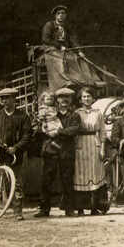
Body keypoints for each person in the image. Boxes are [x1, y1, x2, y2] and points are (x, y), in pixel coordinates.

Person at [0, 88, 32, 221]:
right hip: (0, 154)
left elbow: (27, 135)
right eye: (3, 99)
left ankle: (18, 212)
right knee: (2, 182)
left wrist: (16, 148)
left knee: (16, 183)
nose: (5, 101)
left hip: (16, 155)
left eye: (8, 98)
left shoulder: (23, 116)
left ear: (14, 99)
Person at [35, 87, 81, 217]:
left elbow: (74, 129)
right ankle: (44, 209)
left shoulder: (74, 115)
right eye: (61, 97)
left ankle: (69, 208)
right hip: (50, 150)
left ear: (71, 100)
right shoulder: (49, 113)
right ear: (57, 100)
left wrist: (58, 132)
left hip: (66, 151)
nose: (64, 100)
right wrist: (42, 128)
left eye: (67, 97)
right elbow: (38, 130)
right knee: (46, 179)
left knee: (67, 179)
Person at [73, 87, 107, 216]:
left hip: (94, 144)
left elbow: (102, 132)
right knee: (80, 175)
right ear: (80, 99)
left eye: (89, 96)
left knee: (94, 175)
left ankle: (94, 207)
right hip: (80, 145)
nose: (86, 99)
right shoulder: (77, 113)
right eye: (84, 97)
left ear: (93, 98)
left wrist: (102, 148)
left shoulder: (98, 113)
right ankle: (80, 208)